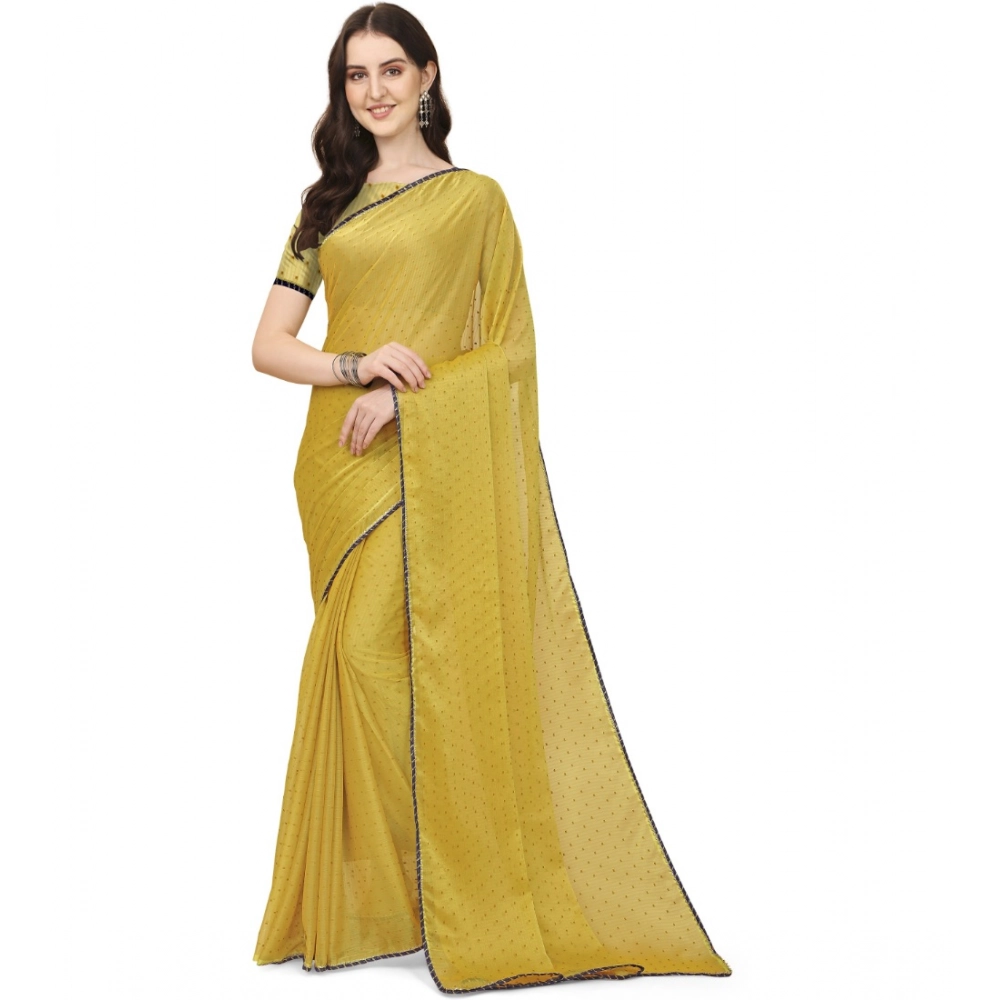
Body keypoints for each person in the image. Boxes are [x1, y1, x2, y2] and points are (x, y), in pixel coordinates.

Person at [250, 3, 731, 992]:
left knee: (415, 662)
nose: (374, 91)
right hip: (338, 466)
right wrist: (354, 366)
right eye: (355, 76)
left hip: (431, 454)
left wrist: (404, 400)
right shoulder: (323, 204)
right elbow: (267, 345)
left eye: (392, 70)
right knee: (356, 661)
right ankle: (390, 900)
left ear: (427, 76)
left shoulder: (476, 202)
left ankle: (456, 891)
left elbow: (510, 351)